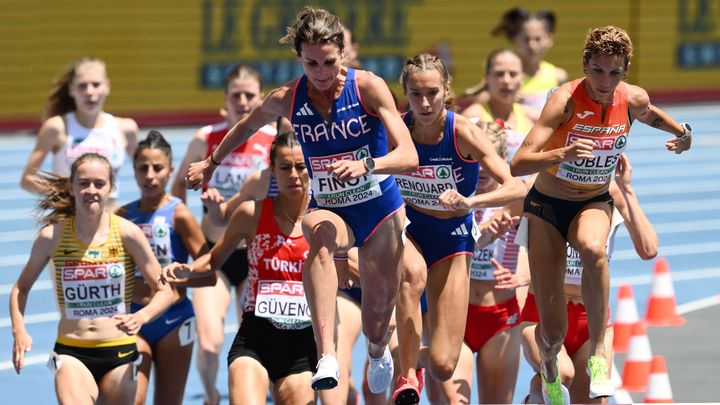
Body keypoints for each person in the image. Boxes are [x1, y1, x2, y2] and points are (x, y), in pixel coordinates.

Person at [185, 6, 419, 394]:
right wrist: (211, 163)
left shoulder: (368, 87)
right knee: (320, 239)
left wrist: (368, 165)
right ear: (299, 59)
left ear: (342, 53)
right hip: (331, 207)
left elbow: (408, 155)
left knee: (378, 317)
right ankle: (325, 352)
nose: (322, 73)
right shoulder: (287, 98)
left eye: (329, 62)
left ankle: (377, 351)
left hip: (379, 209)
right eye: (311, 64)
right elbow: (246, 125)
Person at [510, 25, 692, 404]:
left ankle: (597, 352)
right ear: (585, 65)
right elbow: (519, 163)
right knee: (552, 333)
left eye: (615, 72)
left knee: (594, 249)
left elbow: (651, 114)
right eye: (597, 71)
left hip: (592, 200)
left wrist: (682, 133)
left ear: (625, 71)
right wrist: (563, 154)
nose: (605, 81)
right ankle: (547, 368)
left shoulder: (632, 98)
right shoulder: (565, 101)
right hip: (547, 207)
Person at [392, 54, 525, 405]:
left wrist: (471, 204)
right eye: (415, 94)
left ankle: (411, 359)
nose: (423, 103)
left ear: (446, 90)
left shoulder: (462, 131)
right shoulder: (396, 129)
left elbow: (516, 187)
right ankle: (405, 374)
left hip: (452, 240)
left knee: (443, 365)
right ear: (404, 92)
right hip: (410, 233)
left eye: (432, 93)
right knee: (411, 273)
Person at [166, 131, 317, 405]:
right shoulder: (251, 213)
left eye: (300, 166)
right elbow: (214, 258)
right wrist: (186, 270)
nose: (294, 174)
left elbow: (351, 264)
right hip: (254, 340)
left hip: (302, 346)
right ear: (272, 170)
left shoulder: (323, 219)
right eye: (284, 167)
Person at [10, 153, 173, 404]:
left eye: (99, 184)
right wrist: (19, 330)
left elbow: (165, 290)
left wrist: (142, 316)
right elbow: (21, 287)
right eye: (84, 183)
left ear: (111, 188)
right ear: (72, 188)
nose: (91, 190)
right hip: (72, 351)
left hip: (120, 352)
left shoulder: (128, 233)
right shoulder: (52, 236)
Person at [170, 64, 276, 405]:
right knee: (211, 341)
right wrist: (180, 233)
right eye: (236, 95)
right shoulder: (207, 138)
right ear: (225, 100)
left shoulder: (273, 140)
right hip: (213, 251)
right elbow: (175, 192)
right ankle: (213, 394)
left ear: (261, 99)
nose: (243, 102)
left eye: (250, 95)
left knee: (259, 335)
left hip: (257, 254)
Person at [519, 153, 658, 404]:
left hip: (591, 318)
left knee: (597, 399)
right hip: (544, 310)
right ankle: (535, 398)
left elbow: (648, 249)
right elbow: (506, 211)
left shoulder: (610, 194)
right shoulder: (540, 187)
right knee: (563, 375)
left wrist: (627, 189)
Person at [425, 120, 526, 404]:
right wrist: (479, 238)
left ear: (501, 159)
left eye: (487, 160)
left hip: (501, 316)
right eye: (473, 159)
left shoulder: (518, 200)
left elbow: (534, 249)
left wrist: (523, 278)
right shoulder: (451, 197)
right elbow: (438, 253)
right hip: (457, 313)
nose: (481, 168)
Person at [117, 131, 212, 405]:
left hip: (175, 319)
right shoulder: (122, 217)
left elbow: (210, 276)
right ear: (133, 172)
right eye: (142, 168)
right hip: (134, 317)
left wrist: (179, 278)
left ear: (170, 171)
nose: (150, 175)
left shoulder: (179, 213)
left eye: (157, 168)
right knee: (132, 398)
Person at [20, 57, 139, 207]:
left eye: (96, 84)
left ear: (107, 86)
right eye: (82, 86)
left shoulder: (125, 129)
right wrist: (66, 196)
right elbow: (27, 180)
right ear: (71, 89)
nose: (89, 92)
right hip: (70, 221)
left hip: (109, 221)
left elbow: (145, 173)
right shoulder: (57, 128)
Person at [462, 49, 537, 164]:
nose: (506, 80)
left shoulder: (534, 118)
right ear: (486, 78)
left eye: (513, 74)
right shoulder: (472, 118)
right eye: (499, 74)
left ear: (522, 78)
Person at [491, 8, 568, 113]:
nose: (532, 45)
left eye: (538, 39)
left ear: (549, 39)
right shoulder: (503, 75)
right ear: (515, 39)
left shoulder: (558, 76)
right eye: (526, 39)